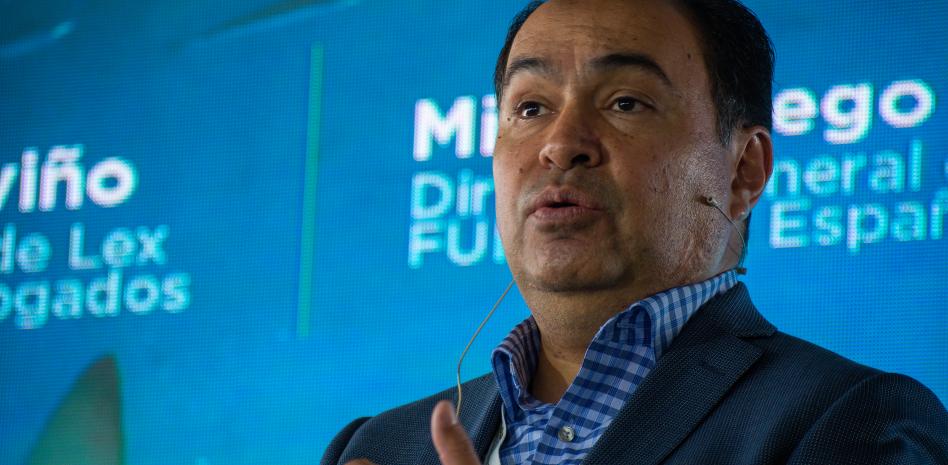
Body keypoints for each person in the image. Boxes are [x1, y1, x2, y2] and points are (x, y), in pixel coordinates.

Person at [322, 0, 948, 464]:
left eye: (626, 102)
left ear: (743, 170)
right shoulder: (380, 447)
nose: (561, 144)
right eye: (531, 108)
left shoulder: (853, 421)